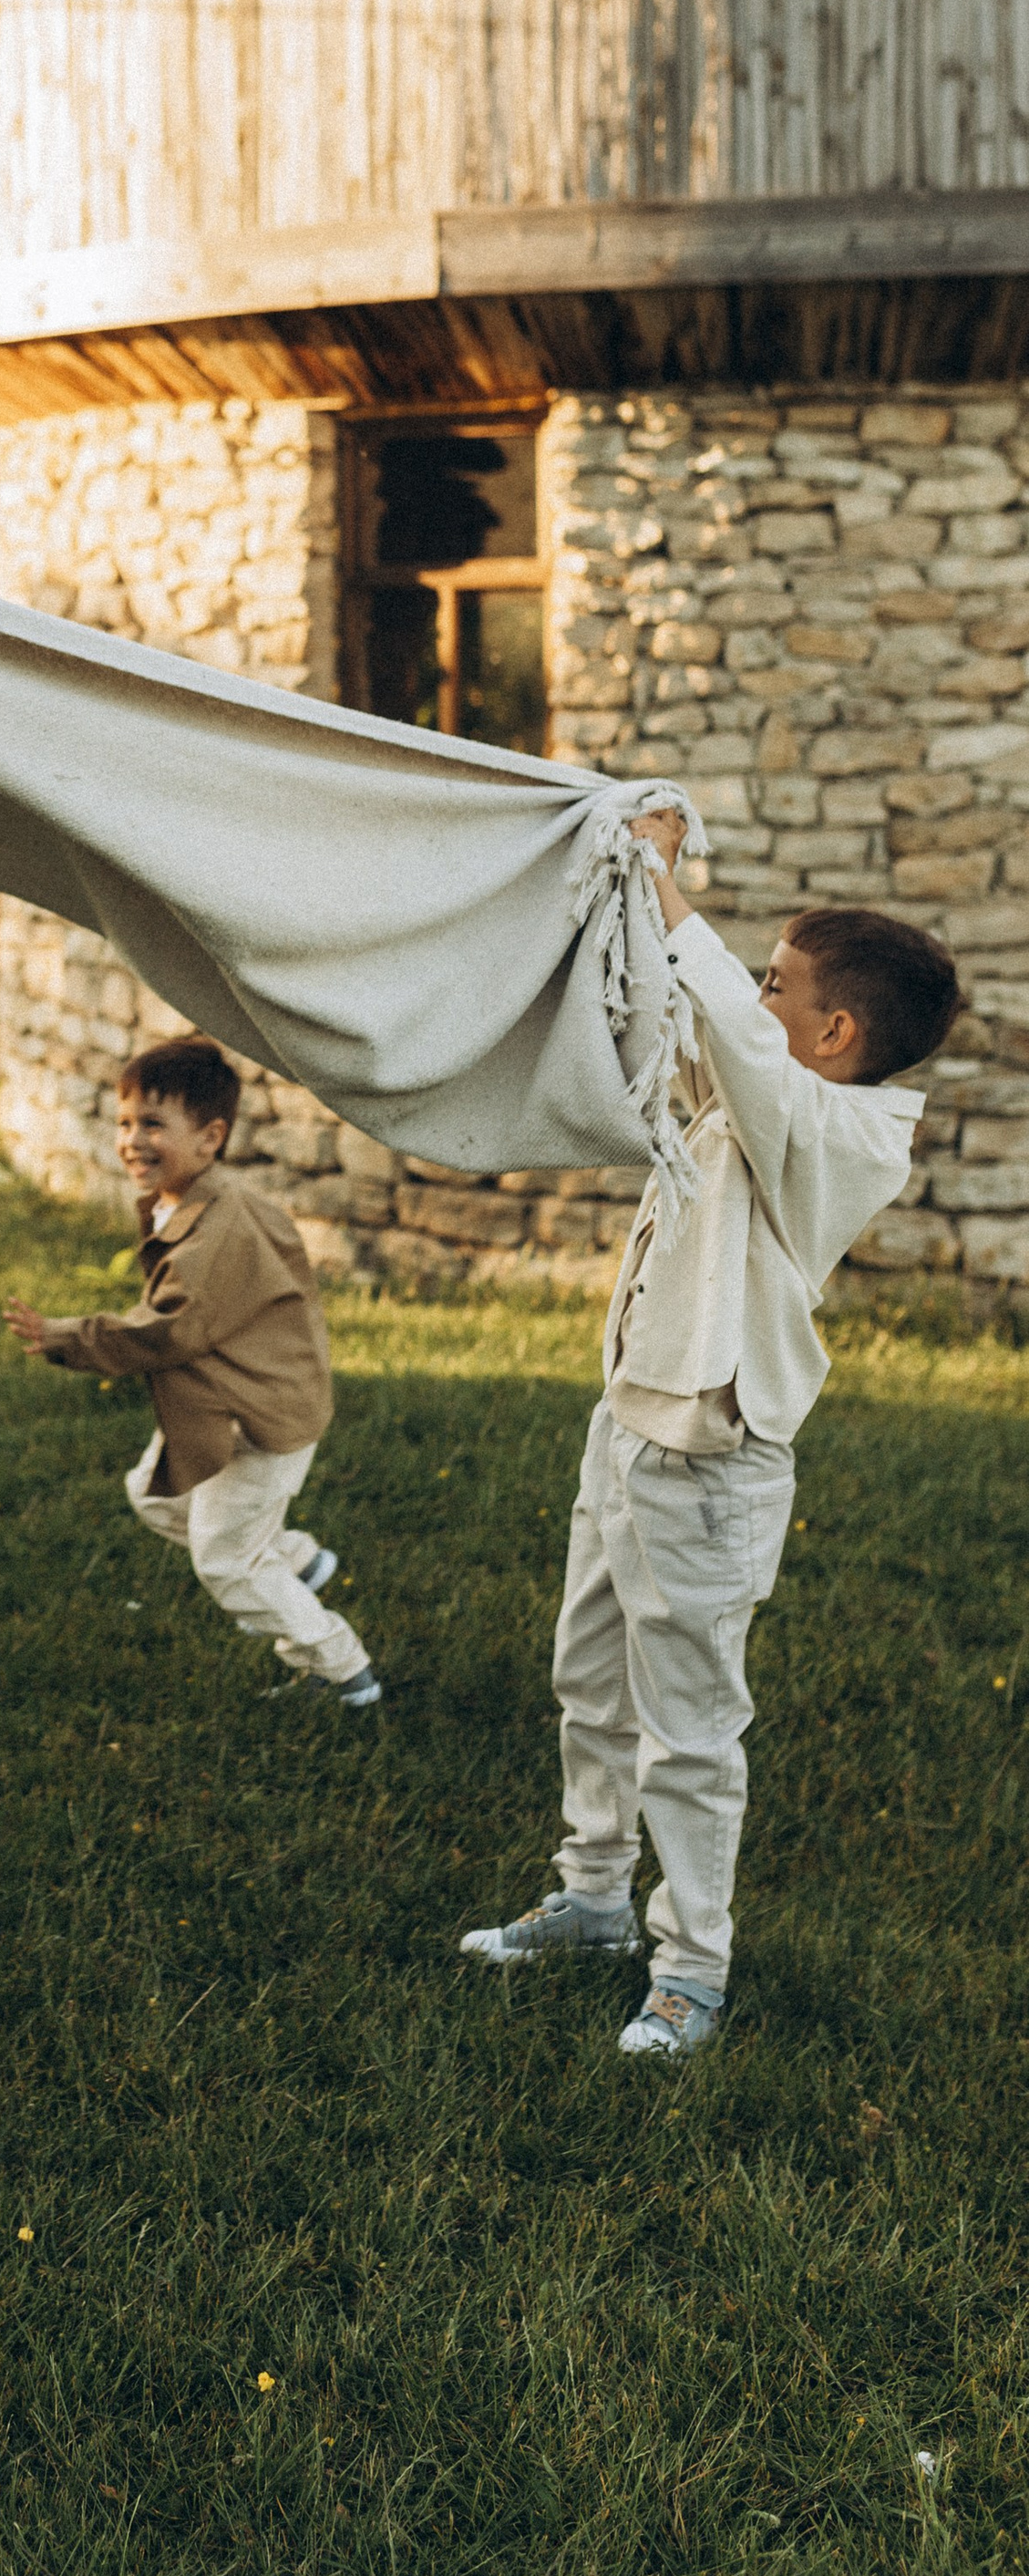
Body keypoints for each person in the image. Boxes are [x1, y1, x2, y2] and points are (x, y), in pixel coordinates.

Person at [461, 815, 958, 2057]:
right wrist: (622, 869)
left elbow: (726, 1019)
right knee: (590, 1681)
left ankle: (691, 1973)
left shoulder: (846, 1135)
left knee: (688, 1729)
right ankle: (589, 1896)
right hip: (628, 1425)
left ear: (833, 1031)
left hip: (712, 1461)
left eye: (782, 981)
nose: (759, 989)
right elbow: (683, 1019)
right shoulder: (758, 1090)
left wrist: (663, 871)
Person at [3, 1033, 380, 1709]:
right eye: (124, 1122)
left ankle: (339, 1669)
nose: (131, 1139)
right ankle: (296, 1562)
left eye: (153, 1124)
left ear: (211, 1138)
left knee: (226, 1559)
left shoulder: (219, 1228)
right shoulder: (183, 1201)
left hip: (265, 1414)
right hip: (222, 1397)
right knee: (156, 1496)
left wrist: (67, 1337)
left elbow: (168, 1330)